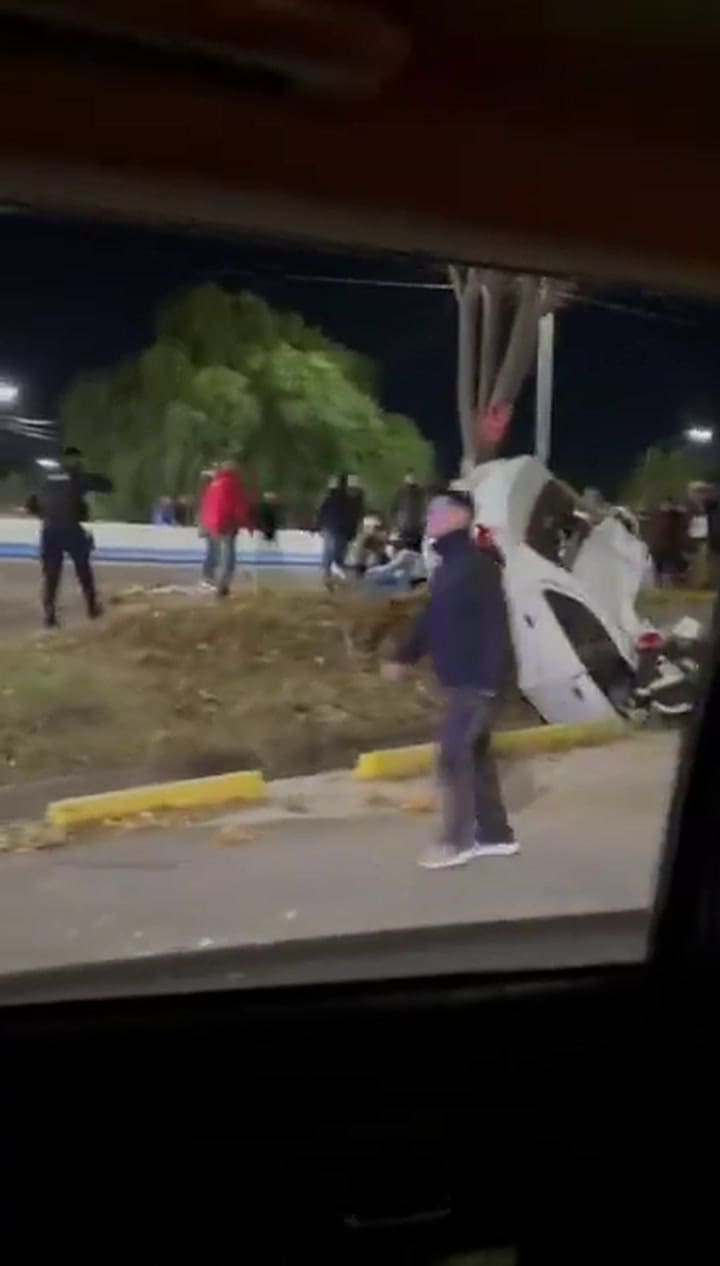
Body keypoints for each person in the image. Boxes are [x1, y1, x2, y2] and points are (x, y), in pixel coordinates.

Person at [382, 490, 517, 870]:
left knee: (454, 755)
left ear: (459, 517)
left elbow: (495, 626)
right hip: (463, 678)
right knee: (475, 756)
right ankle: (496, 835)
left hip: (478, 680)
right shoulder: (449, 567)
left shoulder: (479, 566)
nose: (429, 518)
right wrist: (403, 656)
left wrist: (490, 680)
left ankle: (456, 842)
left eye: (436, 512)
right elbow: (431, 620)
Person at [26, 445, 112, 628]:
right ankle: (92, 607)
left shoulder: (45, 480)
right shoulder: (77, 478)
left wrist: (45, 514)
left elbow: (30, 504)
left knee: (51, 575)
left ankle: (49, 615)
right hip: (70, 529)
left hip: (49, 530)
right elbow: (106, 485)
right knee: (83, 569)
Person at [199, 460, 252, 596]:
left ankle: (207, 578)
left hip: (210, 523)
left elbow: (207, 504)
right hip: (226, 523)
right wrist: (247, 523)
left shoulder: (215, 484)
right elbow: (238, 505)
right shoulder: (232, 483)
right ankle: (223, 585)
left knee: (214, 552)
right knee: (228, 555)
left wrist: (204, 524)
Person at [315, 473, 359, 588]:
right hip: (334, 528)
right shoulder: (346, 500)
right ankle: (329, 574)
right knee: (333, 550)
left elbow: (321, 512)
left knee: (334, 551)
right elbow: (321, 512)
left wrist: (318, 525)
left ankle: (331, 574)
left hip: (337, 528)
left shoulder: (345, 500)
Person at [391, 470, 426, 551]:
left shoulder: (420, 491)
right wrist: (396, 523)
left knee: (416, 546)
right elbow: (394, 508)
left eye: (412, 477)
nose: (411, 479)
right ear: (405, 478)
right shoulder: (400, 491)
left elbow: (423, 506)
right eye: (409, 477)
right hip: (403, 525)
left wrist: (422, 521)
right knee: (403, 547)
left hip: (416, 525)